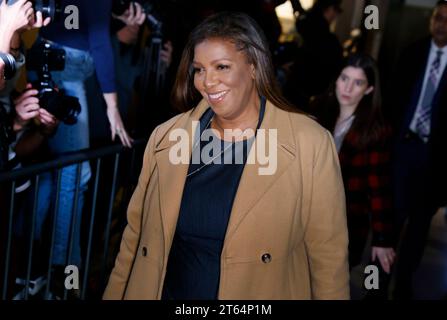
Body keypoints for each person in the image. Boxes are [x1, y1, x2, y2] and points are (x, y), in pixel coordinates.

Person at [103, 12, 349, 300]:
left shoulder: (310, 144)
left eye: (222, 66)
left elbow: (328, 257)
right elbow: (134, 239)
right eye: (199, 69)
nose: (208, 81)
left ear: (254, 67)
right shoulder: (166, 138)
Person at [312, 54, 395, 299]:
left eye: (357, 83)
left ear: (369, 89)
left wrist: (382, 239)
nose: (347, 88)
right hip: (305, 219)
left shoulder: (375, 131)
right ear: (336, 80)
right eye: (344, 78)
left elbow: (379, 187)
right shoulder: (317, 112)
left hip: (343, 225)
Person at [387, 0, 447, 299]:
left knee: (420, 224)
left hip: (434, 159)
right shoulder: (413, 52)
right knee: (392, 217)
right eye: (438, 17)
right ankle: (379, 279)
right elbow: (394, 98)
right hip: (403, 149)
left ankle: (404, 282)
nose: (441, 24)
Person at [283, 0, 344, 112]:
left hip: (292, 90)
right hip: (306, 99)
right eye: (336, 10)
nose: (336, 16)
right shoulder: (327, 40)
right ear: (330, 9)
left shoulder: (304, 25)